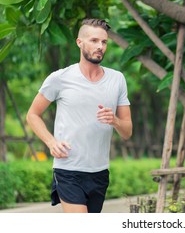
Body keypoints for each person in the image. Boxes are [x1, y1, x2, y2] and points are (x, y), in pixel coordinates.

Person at [26, 18, 133, 213]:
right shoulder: (60, 78)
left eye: (104, 42)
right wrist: (51, 142)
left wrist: (115, 121)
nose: (100, 46)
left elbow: (127, 132)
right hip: (68, 169)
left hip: (100, 172)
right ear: (79, 42)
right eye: (93, 40)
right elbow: (33, 114)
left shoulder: (117, 79)